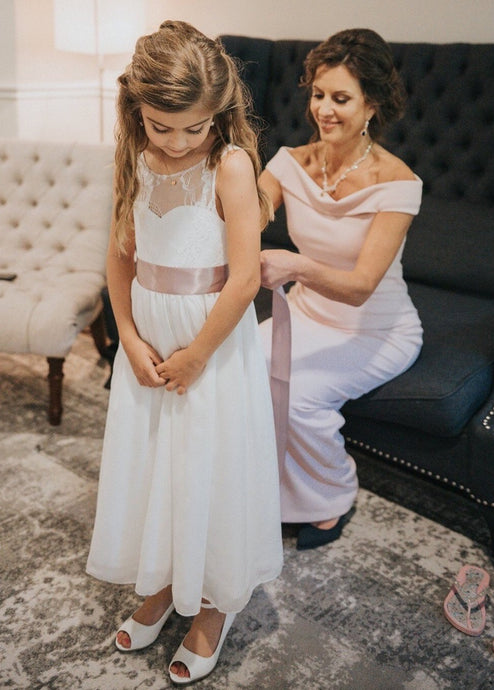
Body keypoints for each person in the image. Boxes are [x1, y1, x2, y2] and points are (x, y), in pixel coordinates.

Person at [86, 21, 283, 685]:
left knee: (206, 467)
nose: (176, 142)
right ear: (135, 109)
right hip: (146, 343)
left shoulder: (228, 164)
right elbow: (119, 255)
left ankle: (212, 604)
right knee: (154, 469)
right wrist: (129, 339)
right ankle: (168, 580)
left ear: (218, 115)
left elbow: (247, 276)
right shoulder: (131, 156)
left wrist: (198, 353)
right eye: (161, 126)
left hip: (211, 345)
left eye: (193, 128)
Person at [258, 28, 423, 550]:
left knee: (300, 396)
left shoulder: (397, 184)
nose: (324, 110)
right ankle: (263, 489)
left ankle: (332, 493)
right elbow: (246, 215)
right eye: (318, 95)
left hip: (375, 328)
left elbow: (359, 288)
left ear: (372, 103)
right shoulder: (290, 163)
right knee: (238, 367)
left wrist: (295, 265)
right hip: (305, 315)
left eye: (341, 98)